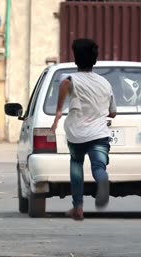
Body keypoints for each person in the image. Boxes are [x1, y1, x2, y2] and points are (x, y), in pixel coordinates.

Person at [50, 38, 117, 221]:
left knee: (76, 164)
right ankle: (102, 180)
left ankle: (78, 208)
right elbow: (113, 112)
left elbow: (65, 83)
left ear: (75, 59)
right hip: (99, 134)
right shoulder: (105, 83)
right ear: (95, 60)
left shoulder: (70, 78)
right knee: (98, 166)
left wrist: (58, 111)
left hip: (76, 134)